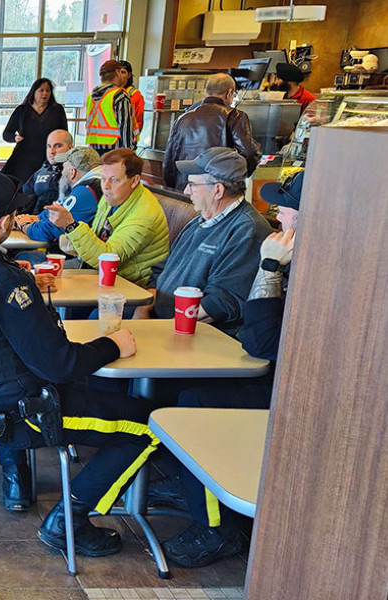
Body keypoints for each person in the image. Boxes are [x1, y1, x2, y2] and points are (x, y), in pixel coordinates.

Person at [0, 171, 158, 557]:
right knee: (148, 425)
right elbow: (61, 365)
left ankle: (30, 484)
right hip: (19, 414)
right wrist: (111, 344)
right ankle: (69, 520)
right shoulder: (1, 282)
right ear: (8, 222)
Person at [157, 170, 303, 568]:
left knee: (193, 400)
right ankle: (185, 485)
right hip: (278, 378)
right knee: (175, 391)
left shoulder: (293, 263)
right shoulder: (301, 259)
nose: (280, 216)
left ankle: (219, 530)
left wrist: (270, 268)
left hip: (293, 395)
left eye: (288, 210)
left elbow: (260, 341)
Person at [135, 148, 271, 336]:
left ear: (217, 190)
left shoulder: (247, 230)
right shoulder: (199, 221)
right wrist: (142, 310)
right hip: (161, 320)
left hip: (197, 334)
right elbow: (160, 272)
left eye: (192, 184)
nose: (185, 190)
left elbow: (221, 303)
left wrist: (158, 332)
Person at [44, 149, 169, 286]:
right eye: (103, 178)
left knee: (49, 280)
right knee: (43, 276)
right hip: (102, 274)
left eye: (114, 180)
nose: (106, 186)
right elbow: (97, 235)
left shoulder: (145, 215)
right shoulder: (113, 196)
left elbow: (106, 259)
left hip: (131, 287)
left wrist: (70, 225)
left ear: (135, 181)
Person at [162, 74, 261, 190]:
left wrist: (174, 187)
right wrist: (239, 177)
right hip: (215, 188)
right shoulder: (235, 116)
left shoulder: (184, 117)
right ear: (229, 93)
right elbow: (249, 152)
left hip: (185, 186)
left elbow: (169, 160)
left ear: (206, 91)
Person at [15, 146, 101, 246]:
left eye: (64, 167)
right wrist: (29, 218)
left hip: (88, 259)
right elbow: (53, 213)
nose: (62, 172)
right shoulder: (96, 182)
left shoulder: (86, 191)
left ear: (72, 172)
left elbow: (48, 230)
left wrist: (24, 225)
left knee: (24, 256)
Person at [1, 78, 69, 186]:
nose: (44, 94)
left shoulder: (57, 110)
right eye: (41, 90)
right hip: (24, 157)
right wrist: (15, 138)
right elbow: (6, 134)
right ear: (34, 92)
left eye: (48, 91)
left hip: (48, 156)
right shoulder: (22, 110)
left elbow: (64, 134)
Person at [85, 60, 135, 155]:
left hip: (94, 149)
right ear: (117, 72)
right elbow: (125, 127)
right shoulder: (119, 95)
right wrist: (129, 151)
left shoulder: (91, 96)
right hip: (114, 150)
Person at [20, 129, 74, 216]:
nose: (51, 151)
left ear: (70, 148)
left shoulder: (75, 174)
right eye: (49, 146)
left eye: (58, 146)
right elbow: (25, 200)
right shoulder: (41, 171)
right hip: (34, 224)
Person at [121, 61, 145, 146]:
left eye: (123, 72)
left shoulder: (135, 95)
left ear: (129, 75)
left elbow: (138, 121)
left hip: (127, 142)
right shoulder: (111, 94)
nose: (120, 75)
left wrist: (133, 140)